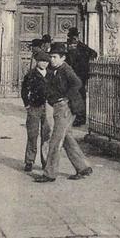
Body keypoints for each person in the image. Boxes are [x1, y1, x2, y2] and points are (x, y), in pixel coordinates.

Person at [34, 42, 92, 183]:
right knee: (67, 139)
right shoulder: (53, 70)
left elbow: (77, 83)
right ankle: (83, 167)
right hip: (58, 107)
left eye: (54, 57)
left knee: (55, 140)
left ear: (63, 58)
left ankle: (50, 174)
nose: (51, 59)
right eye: (51, 57)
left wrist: (66, 97)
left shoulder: (66, 69)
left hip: (66, 108)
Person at [21, 50, 51, 173]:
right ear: (37, 61)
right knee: (32, 134)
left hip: (48, 107)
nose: (44, 64)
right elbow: (24, 91)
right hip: (34, 107)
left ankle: (46, 161)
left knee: (46, 134)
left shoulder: (51, 74)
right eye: (41, 61)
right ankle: (29, 161)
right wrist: (27, 105)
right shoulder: (31, 75)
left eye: (46, 61)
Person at [66, 27, 97, 127]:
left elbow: (94, 53)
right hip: (72, 75)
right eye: (72, 37)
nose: (73, 39)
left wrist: (85, 63)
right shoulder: (69, 46)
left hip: (81, 75)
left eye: (74, 37)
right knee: (73, 96)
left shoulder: (83, 47)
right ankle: (75, 116)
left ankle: (80, 118)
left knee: (80, 96)